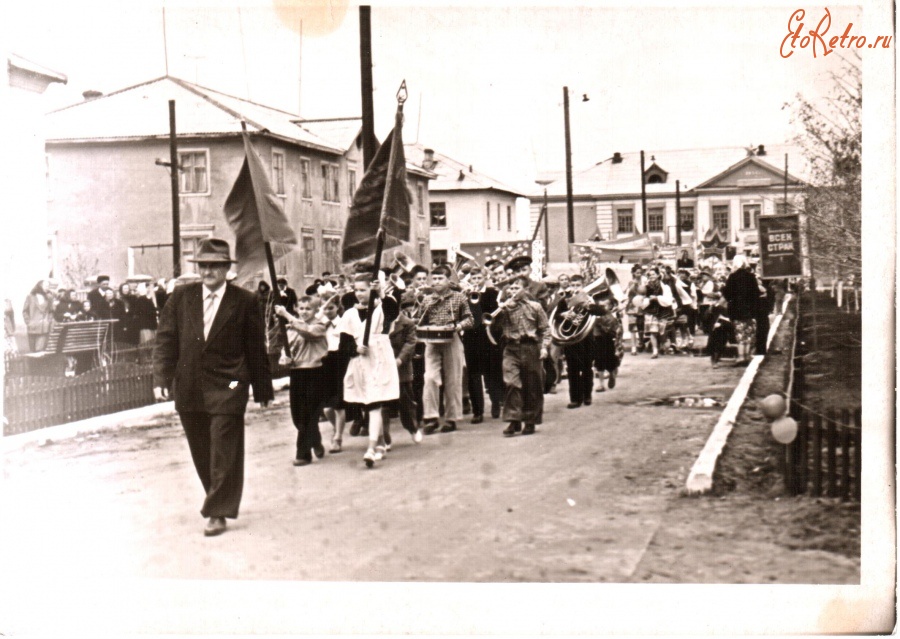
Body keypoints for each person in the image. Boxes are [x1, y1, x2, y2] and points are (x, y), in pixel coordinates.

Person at [153, 238, 273, 537]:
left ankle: (218, 512)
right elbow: (165, 340)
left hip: (230, 383)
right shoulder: (181, 297)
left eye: (215, 266)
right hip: (190, 384)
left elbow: (255, 347)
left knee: (224, 449)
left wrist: (260, 387)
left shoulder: (244, 301)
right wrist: (161, 379)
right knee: (202, 449)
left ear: (226, 269)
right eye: (203, 266)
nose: (208, 272)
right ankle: (216, 495)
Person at [340, 274, 400, 467]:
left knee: (374, 402)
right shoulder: (349, 314)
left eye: (363, 290)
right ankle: (381, 443)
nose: (359, 294)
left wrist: (380, 293)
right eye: (356, 290)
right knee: (369, 403)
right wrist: (355, 349)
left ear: (371, 290)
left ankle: (371, 448)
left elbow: (392, 310)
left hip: (379, 359)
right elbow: (344, 344)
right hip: (361, 361)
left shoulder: (380, 308)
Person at [417, 264, 474, 434]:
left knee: (453, 380)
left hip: (452, 339)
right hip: (432, 341)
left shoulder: (458, 298)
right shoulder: (427, 300)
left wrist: (458, 326)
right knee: (429, 378)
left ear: (448, 280)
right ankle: (431, 417)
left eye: (440, 278)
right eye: (434, 279)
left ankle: (451, 418)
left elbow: (470, 320)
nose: (436, 282)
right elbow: (420, 320)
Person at [491, 276, 550, 436]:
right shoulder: (504, 308)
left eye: (516, 288)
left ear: (525, 290)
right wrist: (502, 312)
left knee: (532, 386)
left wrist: (544, 348)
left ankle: (530, 421)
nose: (512, 291)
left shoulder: (535, 307)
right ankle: (514, 420)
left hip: (530, 347)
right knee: (511, 383)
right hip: (511, 348)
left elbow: (545, 329)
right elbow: (494, 329)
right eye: (510, 288)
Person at [274, 295, 329, 467]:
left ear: (315, 310)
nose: (305, 312)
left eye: (309, 309)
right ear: (297, 308)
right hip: (297, 373)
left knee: (308, 413)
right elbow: (286, 348)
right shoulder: (291, 329)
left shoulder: (319, 326)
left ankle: (303, 454)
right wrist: (284, 358)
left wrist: (288, 316)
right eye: (302, 308)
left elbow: (308, 332)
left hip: (314, 372)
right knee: (297, 415)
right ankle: (316, 440)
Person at [461, 267, 503, 422]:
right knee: (474, 374)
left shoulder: (493, 293)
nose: (476, 282)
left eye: (479, 278)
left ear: (485, 278)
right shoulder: (465, 295)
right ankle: (477, 411)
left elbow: (496, 315)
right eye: (474, 279)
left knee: (491, 371)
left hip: (487, 336)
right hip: (471, 337)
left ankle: (495, 402)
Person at [383, 289, 423, 446]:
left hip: (401, 367)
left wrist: (400, 360)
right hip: (383, 366)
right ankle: (384, 436)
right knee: (383, 405)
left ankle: (413, 429)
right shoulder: (379, 322)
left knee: (406, 403)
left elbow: (411, 342)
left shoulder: (407, 323)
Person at [556, 274, 596, 409]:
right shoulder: (564, 301)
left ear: (583, 286)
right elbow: (555, 314)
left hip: (586, 338)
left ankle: (587, 395)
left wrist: (590, 306)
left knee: (586, 368)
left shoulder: (589, 299)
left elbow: (599, 313)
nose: (575, 288)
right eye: (572, 285)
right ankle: (575, 398)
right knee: (572, 369)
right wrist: (563, 314)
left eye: (578, 285)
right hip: (571, 339)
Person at [721, 254, 761, 365]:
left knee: (739, 333)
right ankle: (747, 356)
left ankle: (741, 357)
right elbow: (756, 293)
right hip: (750, 310)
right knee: (748, 333)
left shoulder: (732, 277)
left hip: (736, 310)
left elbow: (727, 294)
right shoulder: (751, 276)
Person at [641, 267, 674, 359]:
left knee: (661, 331)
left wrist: (657, 298)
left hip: (662, 311)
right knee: (653, 331)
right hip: (650, 311)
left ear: (658, 275)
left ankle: (662, 346)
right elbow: (641, 299)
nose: (651, 276)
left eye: (653, 274)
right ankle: (655, 350)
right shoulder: (645, 287)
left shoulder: (665, 287)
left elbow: (668, 299)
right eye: (650, 275)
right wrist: (647, 300)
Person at [22, 280, 54, 352]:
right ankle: (34, 363)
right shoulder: (30, 297)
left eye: (48, 286)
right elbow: (25, 311)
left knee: (41, 351)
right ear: (40, 286)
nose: (47, 288)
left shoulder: (49, 298)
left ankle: (41, 363)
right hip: (32, 327)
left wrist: (48, 321)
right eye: (46, 286)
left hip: (44, 328)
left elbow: (51, 311)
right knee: (33, 351)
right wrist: (28, 322)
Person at [110, 283, 139, 347]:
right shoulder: (118, 299)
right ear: (121, 290)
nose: (126, 290)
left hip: (131, 320)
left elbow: (136, 308)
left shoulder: (133, 298)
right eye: (124, 288)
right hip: (122, 320)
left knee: (132, 337)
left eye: (127, 288)